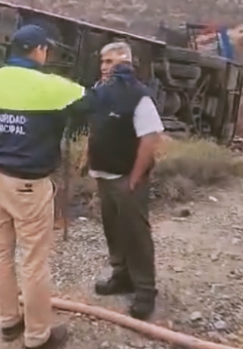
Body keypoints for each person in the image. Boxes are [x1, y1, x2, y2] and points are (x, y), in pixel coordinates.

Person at [0, 24, 84, 349]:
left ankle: (9, 321)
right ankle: (37, 336)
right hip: (28, 185)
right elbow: (91, 109)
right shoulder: (54, 87)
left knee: (1, 252)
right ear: (40, 50)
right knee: (33, 260)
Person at [82, 41, 164, 320]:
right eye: (103, 62)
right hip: (104, 174)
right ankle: (122, 276)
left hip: (127, 177)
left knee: (136, 234)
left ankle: (145, 290)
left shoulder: (138, 96)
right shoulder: (99, 92)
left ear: (126, 62)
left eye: (111, 62)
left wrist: (135, 178)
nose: (105, 67)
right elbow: (97, 130)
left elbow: (150, 138)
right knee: (113, 230)